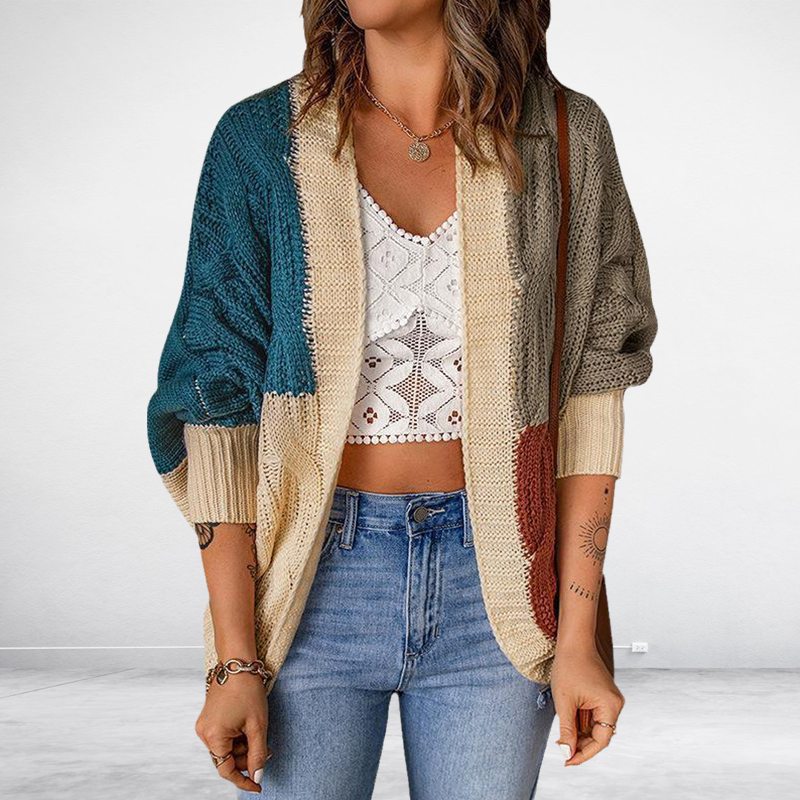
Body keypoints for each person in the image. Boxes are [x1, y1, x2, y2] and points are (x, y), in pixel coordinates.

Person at [146, 1, 657, 797]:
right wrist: (235, 661)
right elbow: (217, 404)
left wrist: (579, 638)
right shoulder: (262, 142)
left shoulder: (563, 137)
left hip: (500, 587)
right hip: (310, 590)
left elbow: (593, 390)